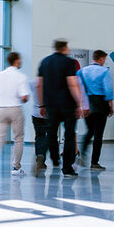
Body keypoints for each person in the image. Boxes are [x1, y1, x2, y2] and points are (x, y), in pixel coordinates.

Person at [35, 40, 87, 176]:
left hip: (50, 104)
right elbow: (72, 83)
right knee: (69, 134)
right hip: (67, 104)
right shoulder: (68, 62)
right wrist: (79, 103)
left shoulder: (44, 62)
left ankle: (54, 158)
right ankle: (67, 168)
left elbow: (39, 84)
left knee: (51, 133)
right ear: (64, 48)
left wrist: (41, 104)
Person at [0, 52, 30, 176]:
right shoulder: (21, 76)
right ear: (16, 61)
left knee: (0, 138)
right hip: (15, 108)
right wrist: (23, 98)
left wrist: (2, 94)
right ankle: (16, 167)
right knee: (18, 139)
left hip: (0, 109)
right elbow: (24, 96)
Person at [79, 50, 114, 170]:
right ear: (100, 59)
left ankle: (82, 153)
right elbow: (108, 90)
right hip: (101, 103)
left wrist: (81, 105)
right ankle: (94, 162)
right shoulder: (105, 71)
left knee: (89, 131)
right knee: (98, 134)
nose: (104, 61)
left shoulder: (82, 71)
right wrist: (111, 106)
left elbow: (79, 88)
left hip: (87, 103)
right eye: (104, 59)